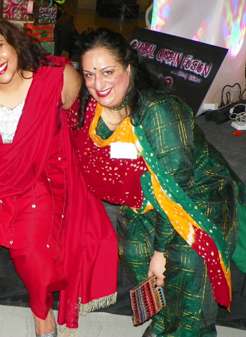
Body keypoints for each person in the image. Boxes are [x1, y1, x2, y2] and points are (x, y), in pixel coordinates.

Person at [0, 14, 118, 337]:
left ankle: (41, 308)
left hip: (42, 174)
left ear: (12, 41)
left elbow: (93, 111)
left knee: (33, 248)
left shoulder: (55, 77)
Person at [67, 27, 246, 337]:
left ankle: (190, 330)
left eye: (108, 72)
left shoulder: (159, 110)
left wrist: (161, 253)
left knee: (185, 261)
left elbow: (175, 188)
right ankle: (163, 320)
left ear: (129, 67)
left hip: (198, 194)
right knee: (135, 249)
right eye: (89, 75)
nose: (98, 84)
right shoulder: (91, 106)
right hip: (148, 196)